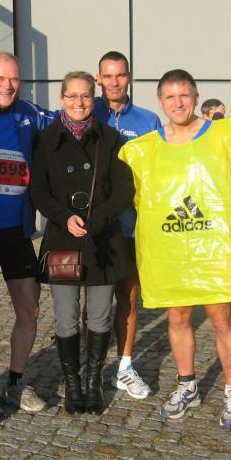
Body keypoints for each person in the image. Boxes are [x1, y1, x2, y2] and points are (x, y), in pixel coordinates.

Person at [118, 70, 231, 424]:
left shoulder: (222, 136)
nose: (178, 103)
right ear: (160, 102)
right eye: (170, 97)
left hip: (212, 249)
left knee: (221, 317)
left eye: (184, 95)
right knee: (178, 317)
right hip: (172, 250)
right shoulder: (147, 148)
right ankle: (188, 386)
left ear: (196, 97)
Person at [30, 71, 134, 414]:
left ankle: (93, 382)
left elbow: (124, 189)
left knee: (100, 318)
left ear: (95, 98)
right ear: (62, 98)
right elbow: (38, 191)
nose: (79, 102)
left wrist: (98, 218)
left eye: (86, 95)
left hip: (103, 240)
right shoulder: (46, 139)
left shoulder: (111, 138)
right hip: (63, 239)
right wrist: (64, 217)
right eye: (72, 95)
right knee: (66, 318)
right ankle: (72, 383)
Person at [0, 52, 55, 413]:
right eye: (0, 78)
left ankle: (17, 382)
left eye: (14, 79)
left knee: (29, 309)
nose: (7, 85)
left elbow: (71, 117)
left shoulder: (29, 114)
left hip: (16, 230)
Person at [93, 51, 162, 400]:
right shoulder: (87, 112)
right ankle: (89, 368)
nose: (114, 82)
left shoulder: (148, 120)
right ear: (98, 79)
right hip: (93, 227)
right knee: (92, 302)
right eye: (107, 76)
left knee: (128, 298)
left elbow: (164, 170)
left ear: (129, 77)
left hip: (133, 226)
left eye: (120, 75)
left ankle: (124, 367)